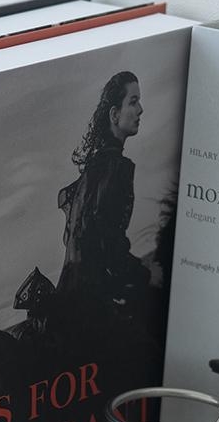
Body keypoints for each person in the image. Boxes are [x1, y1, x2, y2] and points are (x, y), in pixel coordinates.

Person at [55, 70, 150, 328]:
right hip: (89, 307)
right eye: (133, 102)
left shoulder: (96, 166)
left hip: (70, 298)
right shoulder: (114, 169)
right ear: (114, 114)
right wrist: (146, 274)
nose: (141, 109)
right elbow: (107, 243)